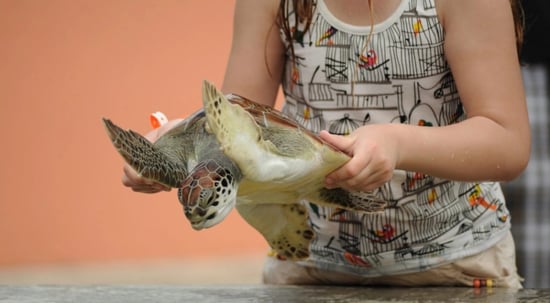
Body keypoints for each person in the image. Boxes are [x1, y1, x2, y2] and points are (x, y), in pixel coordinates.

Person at [122, 0, 530, 288]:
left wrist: (397, 143)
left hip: (453, 269)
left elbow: (507, 143)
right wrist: (175, 148)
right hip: (309, 271)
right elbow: (234, 121)